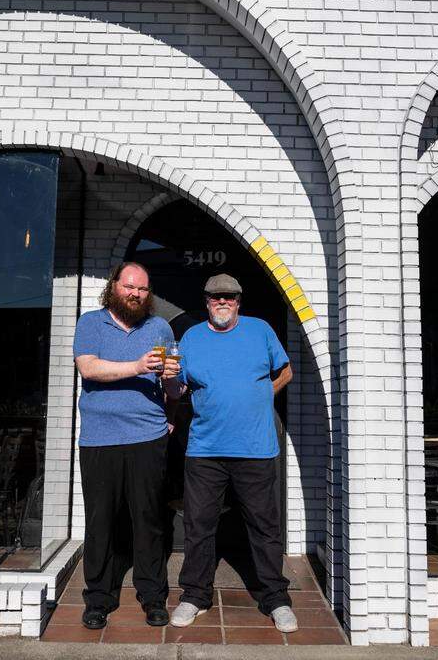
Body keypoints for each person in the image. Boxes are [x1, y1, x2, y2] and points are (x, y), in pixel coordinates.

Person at [165, 273, 298, 633]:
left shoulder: (260, 330)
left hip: (255, 448)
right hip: (205, 450)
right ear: (207, 301)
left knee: (265, 527)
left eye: (229, 297)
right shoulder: (191, 338)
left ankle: (276, 598)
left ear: (239, 301)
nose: (222, 302)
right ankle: (195, 595)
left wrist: (263, 394)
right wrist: (168, 379)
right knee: (198, 526)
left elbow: (286, 371)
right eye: (215, 297)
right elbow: (178, 389)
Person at [72, 262, 180, 629]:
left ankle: (153, 597)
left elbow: (173, 389)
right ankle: (98, 599)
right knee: (100, 521)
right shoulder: (91, 323)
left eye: (142, 289)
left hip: (148, 439)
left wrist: (172, 382)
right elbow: (88, 368)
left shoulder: (160, 328)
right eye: (129, 286)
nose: (135, 294)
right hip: (99, 439)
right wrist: (137, 366)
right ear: (114, 286)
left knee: (148, 520)